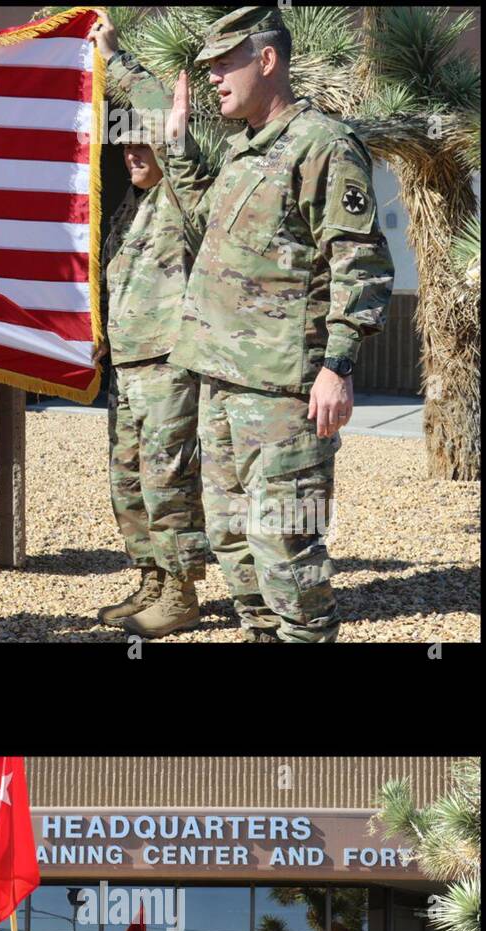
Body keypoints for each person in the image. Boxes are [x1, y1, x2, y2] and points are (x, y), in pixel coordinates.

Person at [94, 7, 394, 642]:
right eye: (208, 68)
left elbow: (360, 262)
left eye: (225, 64)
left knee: (286, 548)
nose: (213, 78)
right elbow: (203, 215)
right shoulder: (241, 149)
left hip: (282, 390)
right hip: (220, 381)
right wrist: (172, 144)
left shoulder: (322, 145)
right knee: (235, 547)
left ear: (267, 60)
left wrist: (337, 367)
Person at [93, 100, 214, 637]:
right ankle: (152, 580)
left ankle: (182, 592)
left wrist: (118, 60)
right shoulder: (132, 205)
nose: (131, 152)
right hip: (128, 368)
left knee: (168, 482)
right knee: (127, 483)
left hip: (168, 368)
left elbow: (185, 168)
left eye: (145, 142)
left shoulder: (180, 198)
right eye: (125, 143)